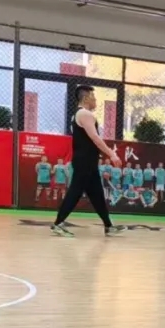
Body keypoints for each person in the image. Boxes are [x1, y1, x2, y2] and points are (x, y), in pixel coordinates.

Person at [52, 86, 124, 237]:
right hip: (84, 161)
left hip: (88, 161)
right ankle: (58, 223)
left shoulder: (79, 114)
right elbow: (95, 137)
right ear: (85, 98)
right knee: (75, 191)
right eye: (93, 97)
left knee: (97, 193)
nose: (95, 100)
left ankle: (108, 226)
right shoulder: (85, 114)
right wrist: (112, 154)